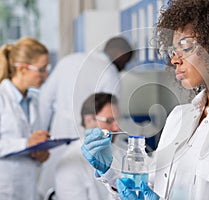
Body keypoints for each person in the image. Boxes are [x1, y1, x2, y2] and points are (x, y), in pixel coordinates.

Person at [81, 0, 209, 199]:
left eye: (186, 48)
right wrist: (109, 171)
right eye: (173, 51)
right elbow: (148, 187)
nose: (174, 59)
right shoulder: (179, 117)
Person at [38, 36, 133, 197]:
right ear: (120, 56)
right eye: (125, 62)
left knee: (52, 190)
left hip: (58, 142)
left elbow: (44, 100)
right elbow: (110, 114)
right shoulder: (109, 73)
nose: (123, 68)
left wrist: (42, 138)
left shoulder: (68, 61)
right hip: (92, 145)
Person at [0, 37, 50, 200]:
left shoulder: (33, 101)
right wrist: (26, 143)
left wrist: (39, 154)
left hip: (29, 187)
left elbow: (32, 143)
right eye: (41, 69)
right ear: (22, 69)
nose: (45, 75)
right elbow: (25, 142)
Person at [55, 92, 127, 200]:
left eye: (118, 121)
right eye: (109, 121)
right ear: (88, 120)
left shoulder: (124, 149)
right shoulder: (70, 162)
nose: (117, 128)